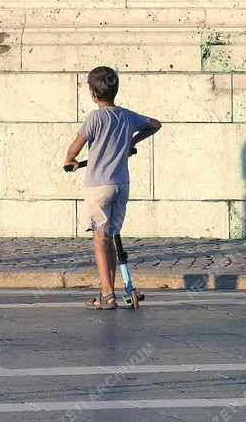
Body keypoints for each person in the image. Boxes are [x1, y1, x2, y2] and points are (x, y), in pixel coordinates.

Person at [63, 66, 161, 310]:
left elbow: (74, 149)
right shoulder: (126, 116)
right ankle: (110, 290)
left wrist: (70, 161)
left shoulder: (95, 118)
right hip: (121, 185)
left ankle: (107, 294)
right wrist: (131, 141)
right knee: (112, 238)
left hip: (98, 186)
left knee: (99, 239)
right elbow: (155, 124)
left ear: (93, 94)